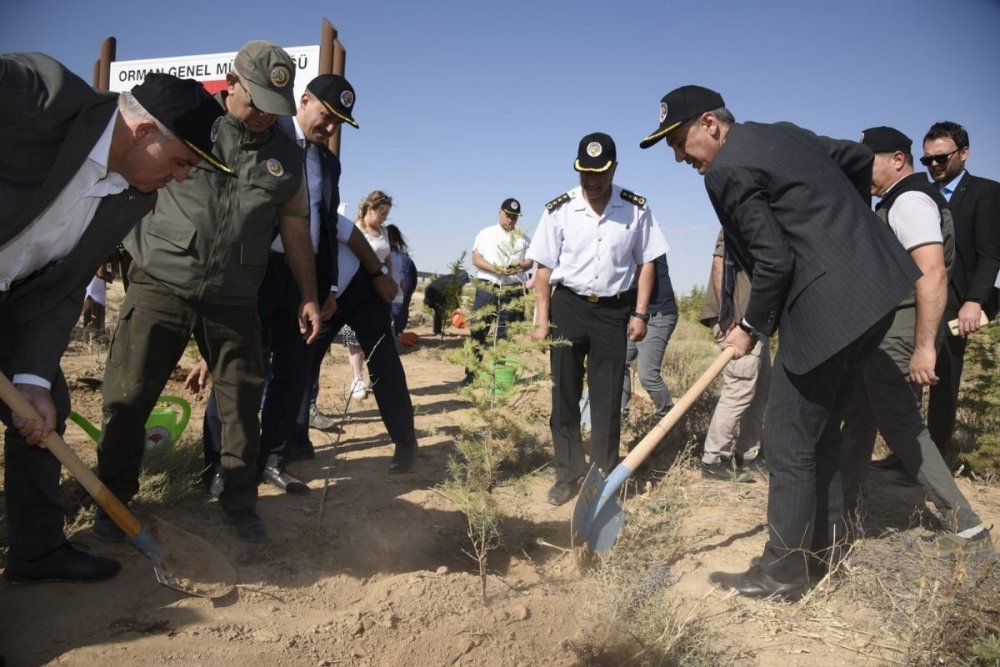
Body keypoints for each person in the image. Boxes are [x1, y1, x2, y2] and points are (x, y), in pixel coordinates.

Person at [640, 85, 919, 600]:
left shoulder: (726, 168)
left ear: (709, 124)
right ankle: (823, 551)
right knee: (820, 433)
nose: (679, 157)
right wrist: (846, 230)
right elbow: (859, 158)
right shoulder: (785, 134)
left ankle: (782, 572)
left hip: (827, 310)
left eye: (679, 142)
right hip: (880, 291)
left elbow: (774, 261)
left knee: (788, 439)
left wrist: (749, 326)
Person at [1, 52, 226, 584]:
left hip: (12, 302)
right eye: (180, 161)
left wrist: (30, 375)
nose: (181, 178)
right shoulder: (41, 94)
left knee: (45, 400)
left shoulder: (132, 197)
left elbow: (59, 289)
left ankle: (36, 552)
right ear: (144, 129)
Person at [96, 41, 321, 544]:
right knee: (128, 396)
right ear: (231, 81)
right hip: (161, 280)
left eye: (274, 106)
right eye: (256, 100)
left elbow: (295, 228)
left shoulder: (287, 155)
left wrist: (308, 293)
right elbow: (127, 174)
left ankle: (239, 500)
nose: (265, 115)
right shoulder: (191, 120)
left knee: (241, 403)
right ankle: (113, 503)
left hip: (235, 295)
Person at [196, 73, 360, 495]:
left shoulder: (328, 162)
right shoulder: (267, 135)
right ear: (303, 101)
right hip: (254, 273)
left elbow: (321, 225)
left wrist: (324, 290)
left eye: (339, 123)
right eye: (326, 117)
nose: (330, 129)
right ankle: (219, 465)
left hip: (301, 282)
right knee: (238, 371)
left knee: (292, 375)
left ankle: (273, 459)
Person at [840, 127, 991, 560]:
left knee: (902, 426)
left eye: (867, 161)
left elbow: (932, 273)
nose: (860, 171)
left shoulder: (909, 202)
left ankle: (968, 529)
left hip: (900, 331)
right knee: (860, 416)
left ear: (897, 160)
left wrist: (925, 345)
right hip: (885, 330)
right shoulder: (897, 201)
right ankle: (841, 505)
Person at [527, 132, 669, 506]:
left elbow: (647, 263)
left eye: (599, 174)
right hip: (569, 307)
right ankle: (568, 473)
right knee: (565, 396)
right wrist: (541, 319)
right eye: (584, 174)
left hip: (613, 311)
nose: (591, 182)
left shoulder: (635, 208)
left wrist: (640, 312)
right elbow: (542, 268)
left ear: (614, 169)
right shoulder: (559, 209)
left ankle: (603, 477)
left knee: (607, 399)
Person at [922, 122, 1000, 460]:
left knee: (943, 381)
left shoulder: (987, 192)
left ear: (964, 153)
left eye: (941, 157)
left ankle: (936, 456)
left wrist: (974, 301)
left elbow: (990, 252)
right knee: (911, 377)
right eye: (927, 160)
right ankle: (908, 451)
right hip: (917, 299)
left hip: (956, 304)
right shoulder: (921, 195)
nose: (935, 165)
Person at [699, 230, 770, 482]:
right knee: (739, 389)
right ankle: (714, 459)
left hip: (755, 322)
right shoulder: (742, 214)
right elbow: (720, 262)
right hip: (737, 322)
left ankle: (747, 456)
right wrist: (727, 317)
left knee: (760, 390)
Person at [464, 197, 532, 384]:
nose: (511, 219)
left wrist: (518, 266)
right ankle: (471, 373)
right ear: (500, 212)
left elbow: (530, 261)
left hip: (512, 289)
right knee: (479, 329)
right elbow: (476, 259)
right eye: (508, 215)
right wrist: (495, 268)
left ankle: (499, 376)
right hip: (488, 286)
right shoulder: (486, 234)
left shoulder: (523, 239)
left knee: (504, 334)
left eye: (515, 217)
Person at [339, 191, 394, 400]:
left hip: (379, 289)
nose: (383, 218)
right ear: (369, 209)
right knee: (354, 338)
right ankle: (356, 378)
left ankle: (377, 379)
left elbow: (387, 257)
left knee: (378, 335)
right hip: (356, 286)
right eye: (381, 213)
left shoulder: (384, 232)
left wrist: (392, 278)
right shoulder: (355, 229)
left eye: (386, 214)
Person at [620, 252, 677, 423]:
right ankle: (620, 420)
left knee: (648, 375)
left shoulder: (647, 236)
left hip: (657, 314)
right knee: (619, 362)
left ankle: (669, 420)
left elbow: (644, 270)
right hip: (632, 313)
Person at [386, 223, 418, 336]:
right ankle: (397, 333)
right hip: (401, 295)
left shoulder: (379, 256)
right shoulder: (407, 260)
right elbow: (412, 284)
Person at [423, 270, 470, 335]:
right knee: (439, 311)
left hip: (436, 294)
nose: (464, 284)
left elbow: (456, 294)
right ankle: (437, 332)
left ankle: (437, 331)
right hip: (432, 294)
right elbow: (452, 296)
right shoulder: (451, 282)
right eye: (463, 282)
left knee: (439, 312)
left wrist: (456, 307)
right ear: (460, 279)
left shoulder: (454, 280)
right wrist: (456, 308)